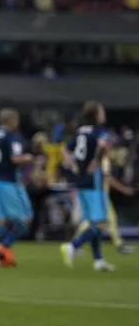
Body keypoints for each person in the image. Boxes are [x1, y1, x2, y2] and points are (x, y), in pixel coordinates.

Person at [60, 101, 116, 272]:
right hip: (94, 180)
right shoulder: (100, 132)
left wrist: (73, 165)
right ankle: (73, 246)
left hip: (80, 179)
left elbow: (64, 150)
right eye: (101, 112)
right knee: (100, 223)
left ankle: (98, 260)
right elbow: (103, 146)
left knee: (93, 221)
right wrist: (97, 161)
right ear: (96, 115)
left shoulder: (79, 132)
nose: (103, 114)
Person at [0, 108, 34, 267]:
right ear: (11, 120)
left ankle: (0, 260)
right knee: (24, 218)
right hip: (9, 182)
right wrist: (29, 157)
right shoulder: (13, 136)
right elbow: (15, 158)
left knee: (0, 220)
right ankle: (4, 245)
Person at [73, 146, 135, 254]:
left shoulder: (94, 160)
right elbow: (107, 178)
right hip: (101, 195)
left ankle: (118, 244)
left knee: (100, 220)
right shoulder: (104, 161)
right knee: (98, 220)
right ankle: (74, 244)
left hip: (97, 194)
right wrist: (124, 189)